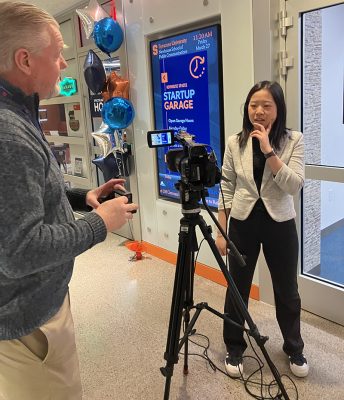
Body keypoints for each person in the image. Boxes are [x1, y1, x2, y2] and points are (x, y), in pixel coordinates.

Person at [0, 2, 138, 400]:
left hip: (38, 307)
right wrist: (101, 223)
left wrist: (82, 197)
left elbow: (26, 199)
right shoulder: (8, 133)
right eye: (56, 53)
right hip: (28, 327)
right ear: (25, 60)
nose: (64, 65)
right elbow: (20, 251)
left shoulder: (18, 114)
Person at [215, 81, 309, 379]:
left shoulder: (294, 140)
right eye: (254, 105)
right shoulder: (235, 142)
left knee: (287, 290)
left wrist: (269, 151)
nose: (259, 111)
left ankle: (294, 347)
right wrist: (221, 230)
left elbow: (294, 185)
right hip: (242, 222)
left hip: (280, 223)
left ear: (278, 109)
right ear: (247, 108)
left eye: (267, 105)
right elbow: (226, 187)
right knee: (237, 286)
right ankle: (234, 345)